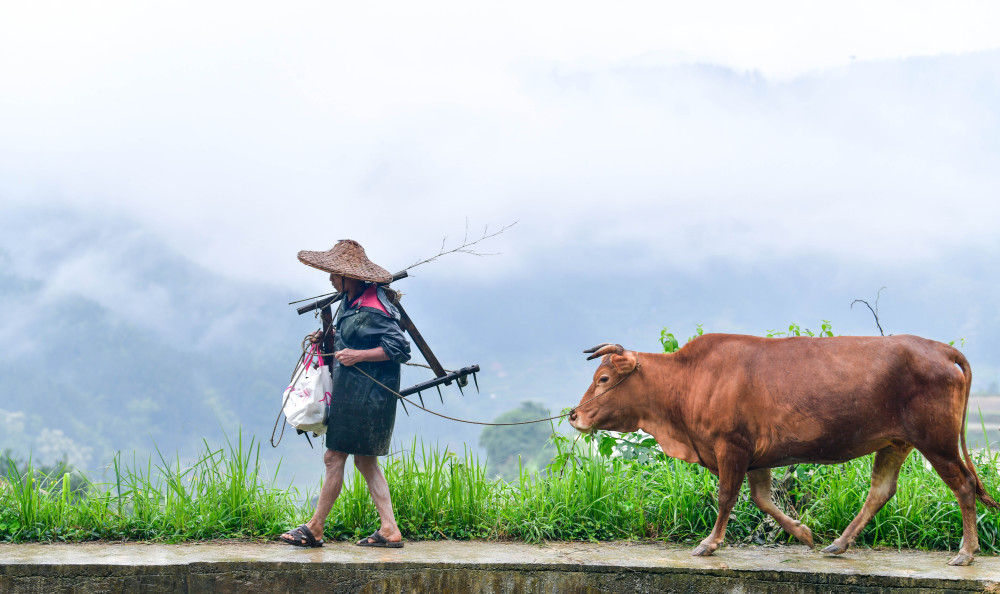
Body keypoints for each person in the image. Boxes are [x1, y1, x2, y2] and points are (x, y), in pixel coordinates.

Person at [280, 239, 411, 548]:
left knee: (333, 456)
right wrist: (329, 337)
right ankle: (389, 529)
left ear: (350, 276)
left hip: (368, 396)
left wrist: (356, 355)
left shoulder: (375, 307)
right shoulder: (351, 301)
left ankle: (315, 528)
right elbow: (356, 336)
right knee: (365, 462)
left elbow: (399, 348)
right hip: (354, 393)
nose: (330, 278)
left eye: (334, 273)